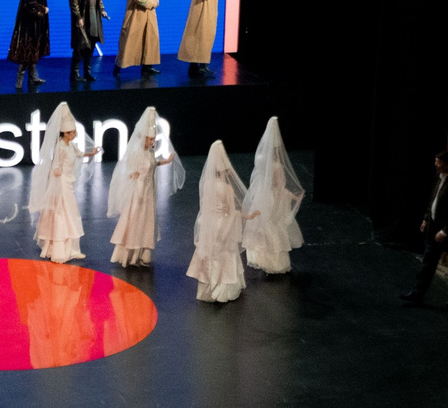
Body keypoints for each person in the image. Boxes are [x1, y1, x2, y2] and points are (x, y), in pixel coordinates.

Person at [106, 106, 184, 268]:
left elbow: (152, 165)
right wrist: (134, 175)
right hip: (139, 192)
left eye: (153, 139)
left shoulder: (149, 152)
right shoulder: (136, 152)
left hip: (148, 191)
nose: (152, 142)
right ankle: (131, 254)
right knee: (136, 219)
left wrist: (166, 161)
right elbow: (131, 168)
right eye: (149, 139)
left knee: (146, 220)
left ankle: (143, 253)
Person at [29, 100, 101, 262]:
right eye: (72, 132)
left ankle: (73, 248)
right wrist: (56, 171)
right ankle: (59, 248)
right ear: (65, 133)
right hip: (61, 183)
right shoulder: (60, 147)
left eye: (75, 131)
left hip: (69, 181)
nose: (75, 134)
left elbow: (80, 154)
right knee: (63, 212)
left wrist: (93, 153)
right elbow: (54, 164)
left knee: (70, 212)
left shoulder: (72, 146)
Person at [403, 147, 448, 308]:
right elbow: (434, 199)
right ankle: (417, 294)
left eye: (439, 163)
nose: (436, 165)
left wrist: (445, 230)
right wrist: (426, 219)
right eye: (436, 162)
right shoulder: (439, 177)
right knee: (428, 263)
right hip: (435, 230)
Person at [188, 141, 253, 303]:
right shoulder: (227, 188)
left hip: (209, 225)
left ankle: (208, 288)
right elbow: (231, 212)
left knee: (211, 254)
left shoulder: (206, 185)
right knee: (225, 254)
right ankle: (222, 288)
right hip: (223, 225)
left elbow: (205, 207)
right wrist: (247, 216)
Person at [243, 115, 306, 274]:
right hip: (272, 198)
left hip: (261, 196)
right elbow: (279, 187)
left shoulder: (261, 159)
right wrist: (294, 196)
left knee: (262, 226)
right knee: (273, 227)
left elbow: (258, 178)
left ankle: (259, 258)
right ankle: (274, 264)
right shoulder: (277, 166)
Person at [178, 0, 227, 80]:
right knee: (200, 37)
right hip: (203, 10)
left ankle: (200, 66)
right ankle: (198, 67)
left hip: (208, 10)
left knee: (204, 37)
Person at [9, 0, 52, 91]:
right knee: (26, 51)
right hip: (29, 24)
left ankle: (33, 76)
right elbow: (29, 3)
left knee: (34, 48)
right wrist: (42, 9)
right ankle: (19, 80)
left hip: (36, 22)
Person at [116, 0, 161, 83]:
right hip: (137, 13)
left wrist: (156, 1)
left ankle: (147, 65)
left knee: (150, 38)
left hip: (149, 13)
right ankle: (118, 66)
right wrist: (152, 3)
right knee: (131, 39)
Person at [68, 0, 108, 88]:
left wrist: (102, 9)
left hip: (93, 14)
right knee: (81, 45)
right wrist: (78, 17)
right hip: (83, 16)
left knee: (91, 43)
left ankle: (87, 72)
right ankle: (75, 73)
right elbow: (73, 1)